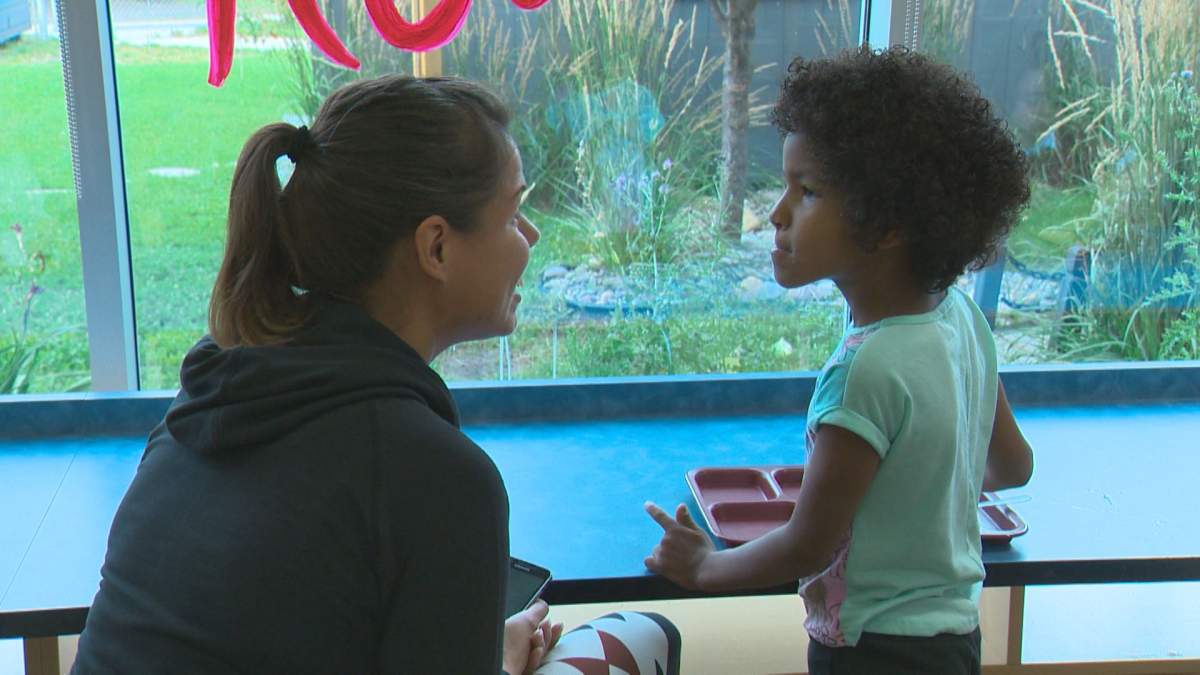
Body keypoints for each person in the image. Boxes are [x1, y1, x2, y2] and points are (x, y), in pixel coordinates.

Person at [71, 75, 680, 675]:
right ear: (436, 248)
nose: (532, 237)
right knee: (644, 635)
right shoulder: (440, 478)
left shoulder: (205, 400)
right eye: (514, 213)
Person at [643, 46, 1035, 675]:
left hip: (870, 653)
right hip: (952, 641)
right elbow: (1012, 466)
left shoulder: (865, 370)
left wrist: (705, 566)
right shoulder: (961, 319)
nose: (776, 213)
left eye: (807, 191)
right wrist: (924, 490)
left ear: (885, 226)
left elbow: (809, 544)